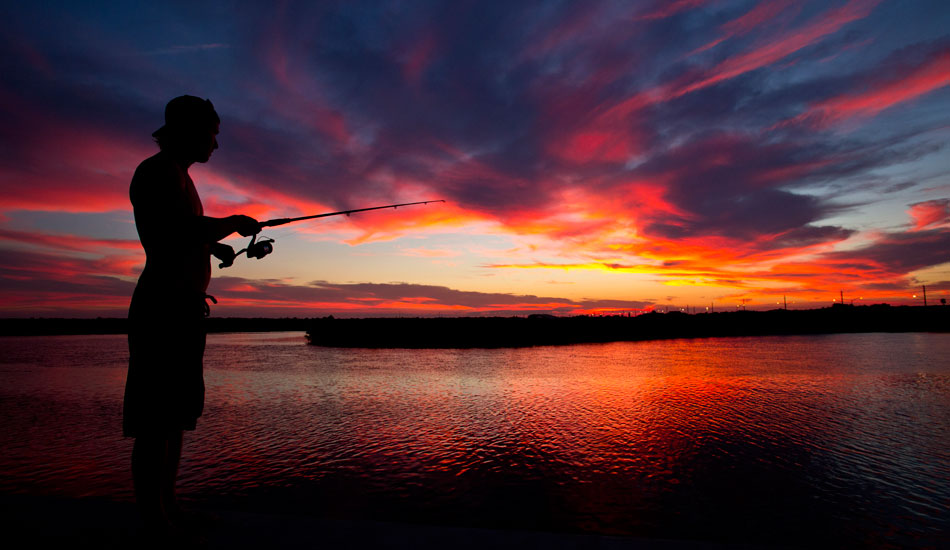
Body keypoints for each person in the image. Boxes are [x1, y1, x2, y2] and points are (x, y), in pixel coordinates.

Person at [123, 95, 259, 537]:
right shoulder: (157, 171)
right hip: (162, 308)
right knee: (155, 419)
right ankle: (152, 518)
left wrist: (212, 244)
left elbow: (180, 232)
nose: (216, 144)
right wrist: (232, 222)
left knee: (176, 414)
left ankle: (169, 507)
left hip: (183, 310)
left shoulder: (179, 176)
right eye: (212, 133)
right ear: (189, 130)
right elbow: (174, 230)